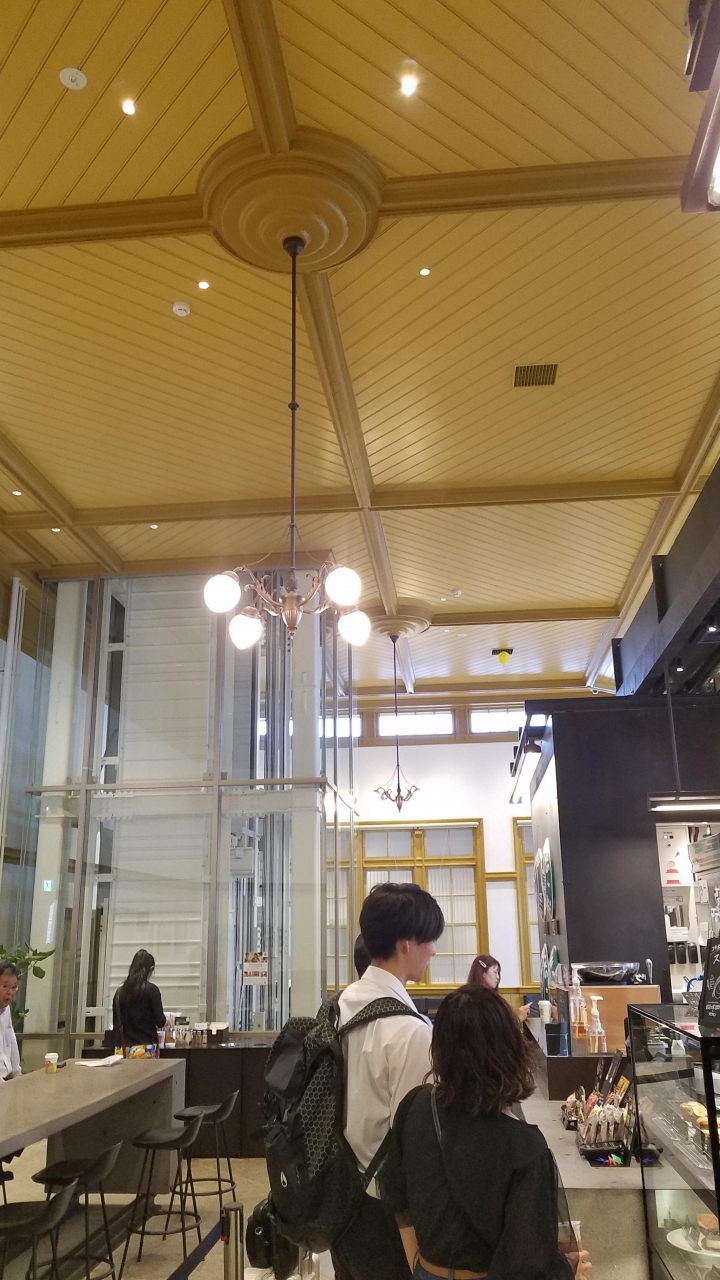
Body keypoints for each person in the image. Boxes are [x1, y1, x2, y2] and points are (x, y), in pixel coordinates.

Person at [381, 986, 592, 1280]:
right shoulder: (524, 1147)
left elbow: (395, 1194)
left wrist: (417, 1261)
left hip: (426, 1270)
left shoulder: (416, 1106)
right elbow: (525, 1265)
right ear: (508, 1049)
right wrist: (568, 1272)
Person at [331, 882, 445, 1280]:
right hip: (387, 1215)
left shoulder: (341, 1004)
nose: (434, 950)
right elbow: (416, 1145)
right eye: (429, 939)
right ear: (406, 943)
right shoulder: (410, 1031)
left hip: (339, 1198)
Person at [113, 949, 165, 1057]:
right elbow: (160, 1021)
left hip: (123, 1050)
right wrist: (167, 1021)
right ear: (150, 969)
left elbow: (116, 1024)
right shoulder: (152, 990)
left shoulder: (119, 993)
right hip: (145, 1049)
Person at [468, 953, 531, 1021]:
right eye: (495, 972)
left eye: (498, 973)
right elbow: (497, 1026)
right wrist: (518, 1018)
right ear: (483, 973)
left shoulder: (473, 997)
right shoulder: (481, 1001)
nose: (498, 977)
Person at [0, 963, 21, 1081]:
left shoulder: (6, 1009)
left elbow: (12, 1041)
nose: (10, 992)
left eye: (13, 987)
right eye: (5, 986)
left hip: (8, 1081)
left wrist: (18, 1076)